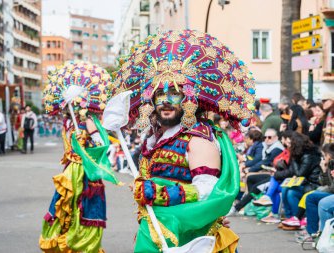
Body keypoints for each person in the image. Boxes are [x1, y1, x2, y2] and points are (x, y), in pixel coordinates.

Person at [111, 30, 256, 253]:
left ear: (189, 99)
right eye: (160, 94)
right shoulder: (154, 138)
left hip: (193, 239)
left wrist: (158, 192)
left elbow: (208, 191)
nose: (166, 101)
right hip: (163, 233)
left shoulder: (199, 139)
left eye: (175, 93)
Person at [39, 60, 120, 253]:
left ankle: (81, 244)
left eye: (74, 103)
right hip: (70, 171)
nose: (71, 108)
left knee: (85, 207)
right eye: (69, 104)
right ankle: (62, 241)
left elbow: (102, 146)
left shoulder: (90, 122)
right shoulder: (68, 123)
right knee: (65, 204)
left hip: (87, 171)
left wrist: (89, 140)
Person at [280, 132, 321, 225]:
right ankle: (289, 216)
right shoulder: (300, 153)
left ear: (296, 145)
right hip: (306, 182)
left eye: (290, 144)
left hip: (312, 184)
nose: (288, 146)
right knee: (285, 188)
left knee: (291, 193)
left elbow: (299, 173)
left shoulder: (308, 155)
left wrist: (293, 157)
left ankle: (297, 217)